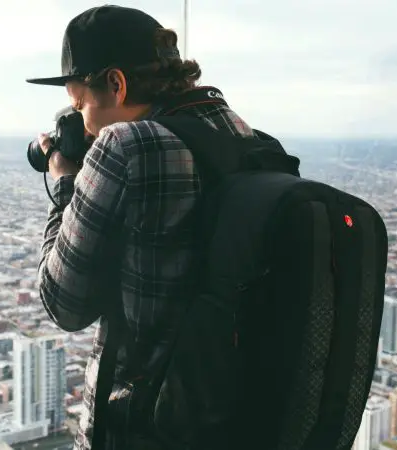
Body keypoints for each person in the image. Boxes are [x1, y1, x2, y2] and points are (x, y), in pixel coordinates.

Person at [26, 5, 266, 450]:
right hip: (231, 414)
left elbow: (63, 303)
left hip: (145, 425)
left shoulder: (125, 145)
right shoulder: (235, 130)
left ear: (115, 85)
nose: (82, 121)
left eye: (80, 104)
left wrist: (64, 181)